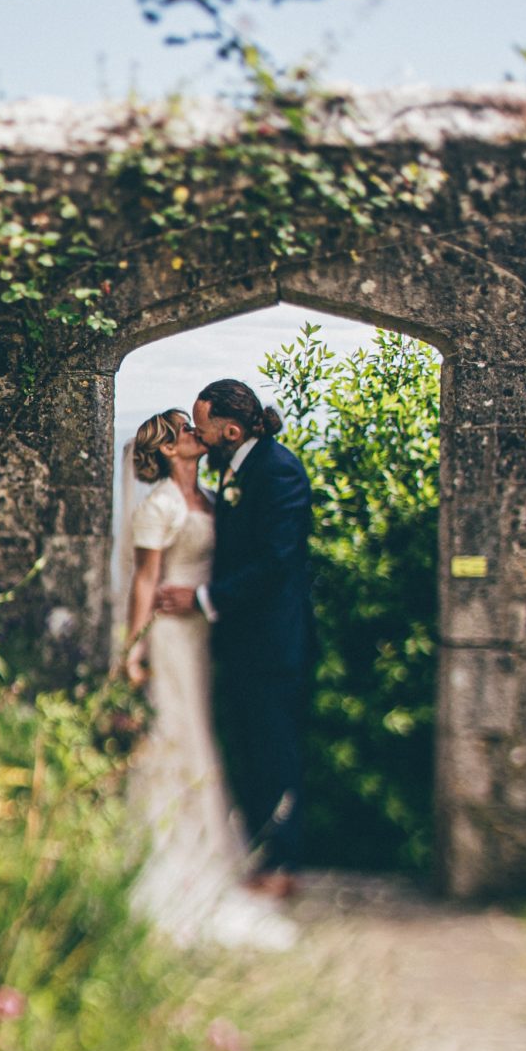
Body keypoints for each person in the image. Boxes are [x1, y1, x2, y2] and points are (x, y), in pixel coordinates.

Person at [121, 407, 295, 951]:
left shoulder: (211, 499)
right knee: (178, 732)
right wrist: (133, 651)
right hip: (172, 637)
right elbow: (144, 582)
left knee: (204, 731)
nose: (198, 434)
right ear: (170, 449)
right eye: (185, 429)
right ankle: (172, 847)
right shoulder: (160, 506)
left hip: (203, 635)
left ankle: (214, 846)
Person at [155, 379, 313, 901]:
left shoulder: (280, 470)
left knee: (275, 752)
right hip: (243, 644)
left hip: (274, 645)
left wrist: (202, 599)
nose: (197, 436)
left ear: (230, 428)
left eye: (202, 428)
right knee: (250, 749)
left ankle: (283, 865)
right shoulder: (237, 468)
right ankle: (261, 858)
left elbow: (275, 564)